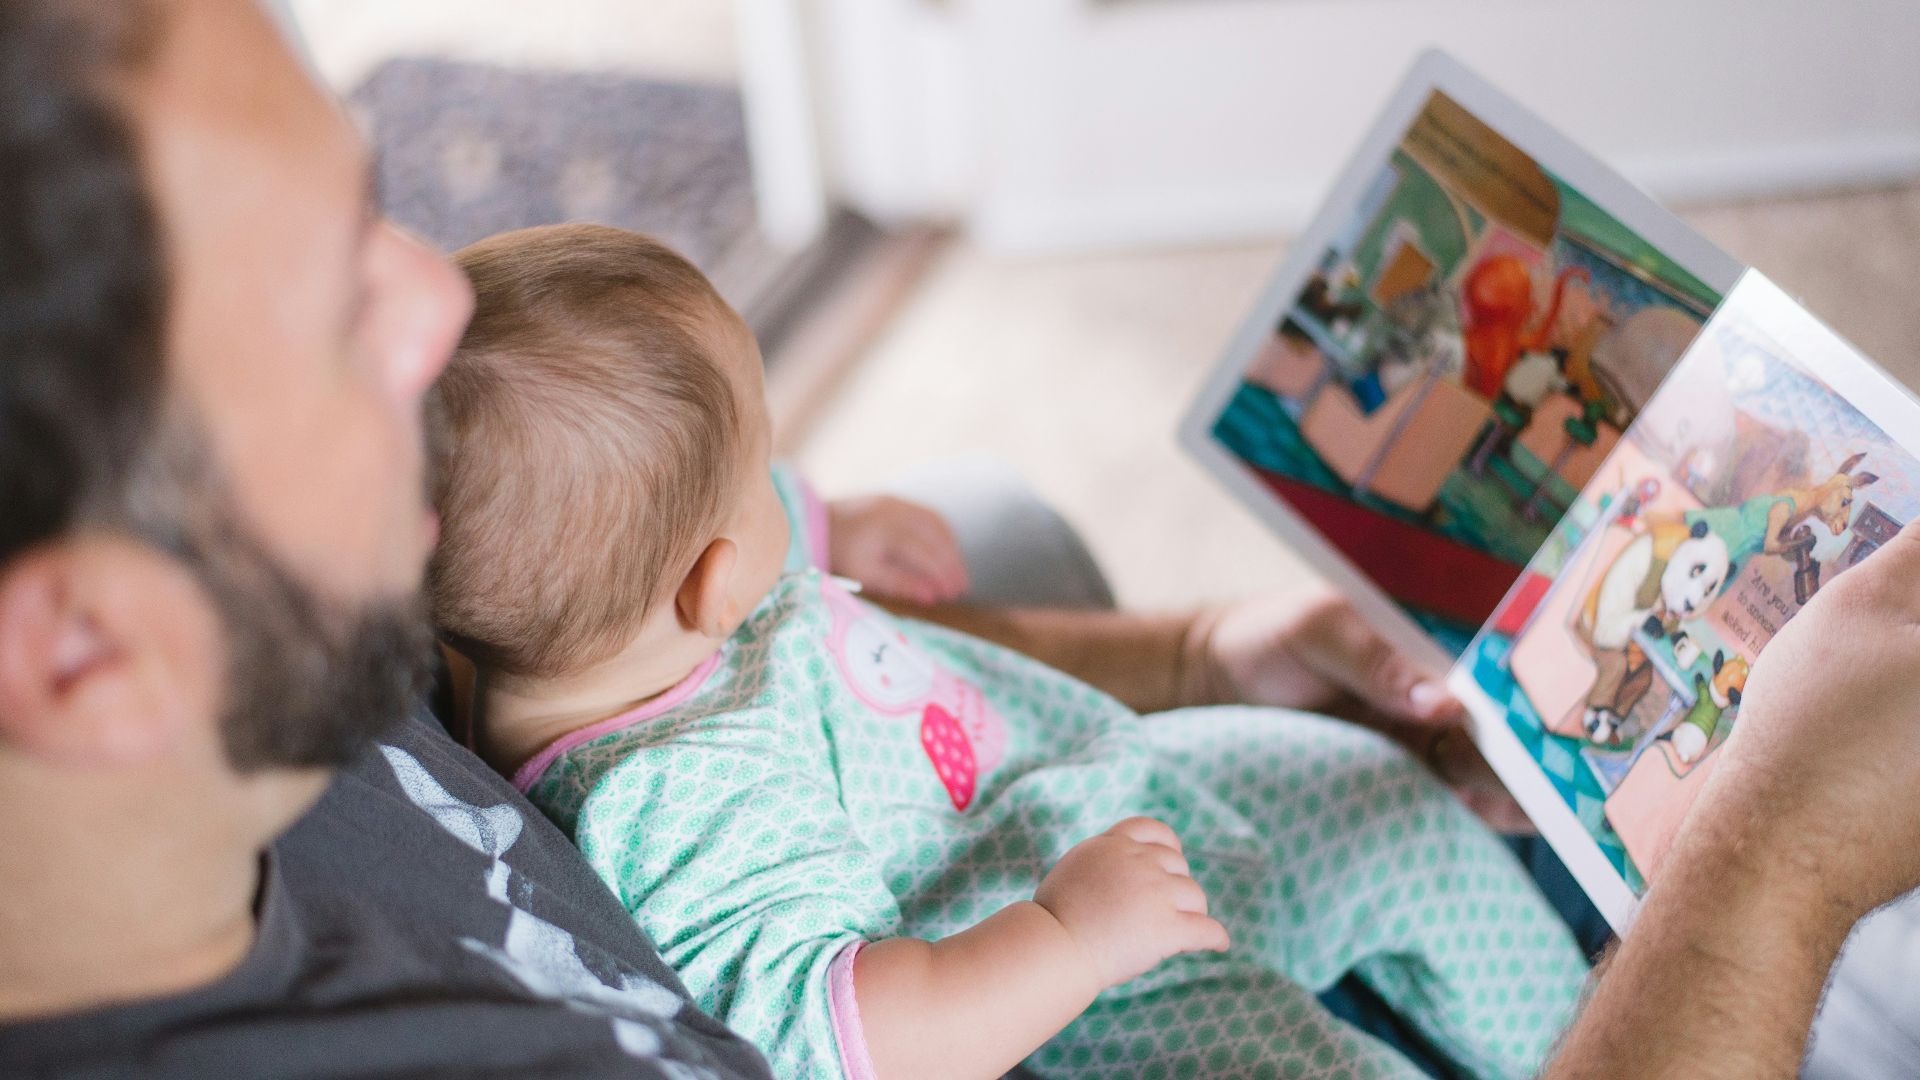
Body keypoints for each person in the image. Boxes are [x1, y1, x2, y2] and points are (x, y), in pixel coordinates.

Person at [0, 2, 1914, 1077]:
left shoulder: (334, 595)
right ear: (82, 653)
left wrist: (1186, 654)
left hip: (1053, 825)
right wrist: (1776, 866)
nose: (435, 304)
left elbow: (752, 634)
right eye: (334, 305)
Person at [427, 223, 1590, 1079]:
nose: (784, 483)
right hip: (1086, 983)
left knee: (1379, 795)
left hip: (1102, 783)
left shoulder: (610, 616)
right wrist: (1070, 937)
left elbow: (699, 517)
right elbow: (848, 1040)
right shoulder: (679, 802)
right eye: (765, 468)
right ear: (714, 582)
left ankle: (1582, 1037)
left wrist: (830, 520)